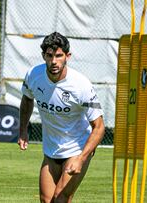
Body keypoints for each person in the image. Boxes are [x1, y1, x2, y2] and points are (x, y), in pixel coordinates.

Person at [18, 32, 105, 203]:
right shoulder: (33, 75)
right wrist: (23, 130)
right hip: (51, 149)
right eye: (49, 56)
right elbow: (27, 99)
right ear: (43, 55)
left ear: (67, 56)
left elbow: (99, 126)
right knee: (46, 199)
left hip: (77, 148)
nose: (54, 61)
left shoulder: (81, 85)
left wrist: (82, 158)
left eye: (59, 56)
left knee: (60, 199)